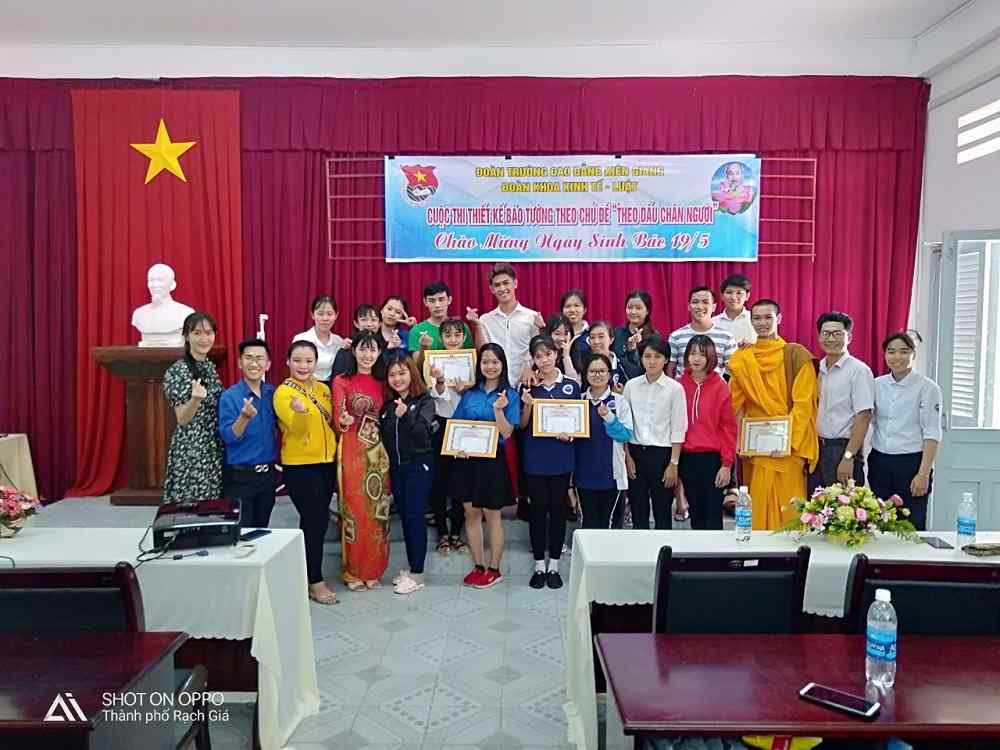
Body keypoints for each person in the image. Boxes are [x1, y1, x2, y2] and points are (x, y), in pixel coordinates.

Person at [727, 299, 818, 530]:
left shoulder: (796, 355)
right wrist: (741, 443)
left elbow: (803, 405)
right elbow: (736, 406)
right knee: (757, 504)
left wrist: (788, 442)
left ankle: (793, 551)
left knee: (789, 507)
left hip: (787, 446)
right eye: (756, 318)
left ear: (779, 319)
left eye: (768, 317)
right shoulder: (742, 358)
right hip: (756, 445)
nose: (762, 323)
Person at [449, 343, 520, 589]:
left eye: (495, 362)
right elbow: (456, 425)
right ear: (479, 365)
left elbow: (507, 433)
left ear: (503, 365)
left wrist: (498, 410)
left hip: (492, 462)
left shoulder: (510, 395)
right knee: (471, 513)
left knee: (492, 514)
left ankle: (494, 569)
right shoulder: (470, 394)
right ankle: (479, 565)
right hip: (467, 461)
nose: (490, 366)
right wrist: (456, 447)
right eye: (485, 361)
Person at [274, 340, 338, 605]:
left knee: (317, 522)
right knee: (314, 521)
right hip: (300, 467)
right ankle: (315, 582)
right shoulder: (283, 393)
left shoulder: (323, 389)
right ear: (288, 362)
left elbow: (330, 423)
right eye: (297, 360)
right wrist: (299, 413)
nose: (303, 366)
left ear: (316, 363)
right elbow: (297, 430)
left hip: (327, 463)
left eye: (309, 361)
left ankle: (305, 574)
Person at [519, 335, 581, 589]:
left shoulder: (571, 385)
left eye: (548, 354)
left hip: (561, 457)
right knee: (537, 510)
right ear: (533, 359)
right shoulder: (527, 384)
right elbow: (522, 424)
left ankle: (554, 563)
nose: (544, 360)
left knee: (558, 510)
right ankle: (538, 564)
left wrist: (571, 434)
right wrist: (527, 406)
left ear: (556, 354)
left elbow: (578, 422)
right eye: (538, 356)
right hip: (535, 457)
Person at [332, 331, 391, 591]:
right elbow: (338, 419)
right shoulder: (341, 381)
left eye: (373, 349)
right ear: (353, 351)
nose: (368, 355)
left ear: (379, 353)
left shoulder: (383, 381)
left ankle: (374, 568)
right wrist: (343, 421)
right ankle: (353, 570)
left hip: (378, 454)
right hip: (351, 451)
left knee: (378, 512)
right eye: (363, 349)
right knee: (354, 511)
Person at [869, 331, 942, 531]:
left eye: (904, 351)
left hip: (911, 465)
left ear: (913, 354)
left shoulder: (928, 388)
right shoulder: (877, 384)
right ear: (885, 354)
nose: (897, 357)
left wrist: (923, 474)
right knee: (879, 523)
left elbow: (932, 433)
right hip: (880, 462)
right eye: (891, 351)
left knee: (911, 525)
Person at [379, 352, 437, 595]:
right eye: (392, 374)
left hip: (418, 466)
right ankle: (412, 567)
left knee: (414, 517)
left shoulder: (424, 401)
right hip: (397, 469)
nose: (397, 379)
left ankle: (418, 573)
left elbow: (422, 432)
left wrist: (406, 416)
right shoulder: (388, 405)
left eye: (402, 373)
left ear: (412, 373)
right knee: (404, 516)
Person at [619, 336, 688, 530]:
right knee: (638, 511)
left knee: (662, 511)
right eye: (647, 356)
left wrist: (673, 464)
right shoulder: (631, 386)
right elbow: (626, 424)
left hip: (662, 455)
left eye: (657, 356)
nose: (652, 361)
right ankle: (641, 549)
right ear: (641, 359)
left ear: (666, 359)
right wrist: (627, 457)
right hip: (635, 453)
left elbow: (678, 428)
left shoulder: (675, 389)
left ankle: (663, 550)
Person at [809, 311, 875, 495]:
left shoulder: (858, 371)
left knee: (843, 508)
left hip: (842, 449)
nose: (831, 339)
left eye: (837, 333)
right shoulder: (818, 368)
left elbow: (864, 416)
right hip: (817, 450)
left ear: (849, 337)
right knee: (816, 507)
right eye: (826, 333)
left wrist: (848, 457)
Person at [218, 338, 278, 528]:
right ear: (239, 363)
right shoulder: (230, 396)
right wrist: (244, 417)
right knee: (240, 534)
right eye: (249, 358)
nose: (254, 363)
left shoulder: (273, 394)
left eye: (259, 358)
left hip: (268, 477)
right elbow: (229, 437)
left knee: (261, 530)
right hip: (240, 478)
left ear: (267, 364)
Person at [162, 312, 223, 502]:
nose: (204, 339)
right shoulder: (178, 370)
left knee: (212, 505)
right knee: (191, 507)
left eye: (208, 333)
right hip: (192, 448)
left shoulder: (209, 366)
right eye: (197, 333)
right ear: (186, 336)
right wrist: (195, 400)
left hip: (213, 445)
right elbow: (182, 418)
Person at [678, 336, 737, 530]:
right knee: (695, 514)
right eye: (692, 353)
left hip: (712, 459)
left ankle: (715, 551)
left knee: (712, 515)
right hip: (686, 458)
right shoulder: (679, 385)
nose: (696, 359)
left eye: (702, 354)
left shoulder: (720, 387)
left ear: (711, 357)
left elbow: (728, 428)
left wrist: (726, 465)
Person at [426, 318, 472, 554]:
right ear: (441, 338)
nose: (452, 339)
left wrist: (466, 390)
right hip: (441, 425)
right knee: (439, 481)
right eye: (447, 335)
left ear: (463, 337)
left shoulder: (471, 362)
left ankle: (456, 532)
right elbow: (432, 394)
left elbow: (478, 392)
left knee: (461, 481)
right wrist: (442, 382)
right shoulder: (433, 362)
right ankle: (442, 533)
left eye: (457, 335)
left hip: (464, 426)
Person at [575, 353, 633, 529]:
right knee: (588, 524)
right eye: (592, 371)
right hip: (584, 474)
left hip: (611, 475)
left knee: (609, 526)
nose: (597, 375)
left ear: (609, 374)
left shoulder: (620, 401)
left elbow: (625, 435)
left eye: (602, 371)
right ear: (586, 374)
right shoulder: (578, 401)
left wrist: (609, 417)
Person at [467, 262, 544, 386]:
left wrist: (528, 367)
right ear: (492, 289)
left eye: (506, 283)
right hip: (496, 385)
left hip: (525, 383)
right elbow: (483, 352)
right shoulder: (485, 320)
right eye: (497, 285)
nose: (502, 288)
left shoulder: (532, 317)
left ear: (515, 283)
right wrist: (477, 325)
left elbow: (537, 349)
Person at [667, 285, 737, 379]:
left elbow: (733, 371)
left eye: (705, 302)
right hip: (684, 387)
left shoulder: (727, 337)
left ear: (714, 307)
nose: (700, 307)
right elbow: (669, 369)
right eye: (695, 302)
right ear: (688, 306)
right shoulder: (676, 337)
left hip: (715, 387)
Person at [408, 281, 475, 363]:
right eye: (432, 301)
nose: (437, 305)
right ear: (425, 302)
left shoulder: (462, 327)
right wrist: (424, 347)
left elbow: (471, 359)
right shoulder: (416, 330)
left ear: (449, 300)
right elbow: (417, 367)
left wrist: (477, 324)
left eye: (441, 299)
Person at [293, 295, 346, 383]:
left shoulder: (339, 341)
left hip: (331, 387)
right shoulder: (301, 339)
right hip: (305, 385)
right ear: (312, 315)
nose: (325, 318)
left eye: (329, 314)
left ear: (336, 315)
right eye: (320, 314)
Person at [611, 289, 656, 380]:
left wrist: (632, 350)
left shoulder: (654, 338)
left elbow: (649, 369)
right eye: (630, 307)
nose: (633, 312)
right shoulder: (617, 333)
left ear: (647, 311)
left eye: (638, 308)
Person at [331, 303, 381, 378]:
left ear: (379, 324)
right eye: (364, 320)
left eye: (373, 320)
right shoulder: (346, 348)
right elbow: (337, 378)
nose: (369, 324)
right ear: (356, 323)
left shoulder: (384, 347)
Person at [713, 274, 757, 347]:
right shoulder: (713, 322)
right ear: (722, 295)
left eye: (739, 293)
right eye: (729, 292)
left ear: (747, 296)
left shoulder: (756, 319)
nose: (733, 297)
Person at [587, 321, 630, 392]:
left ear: (611, 339)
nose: (596, 341)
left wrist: (622, 393)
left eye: (601, 337)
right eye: (592, 337)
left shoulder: (621, 363)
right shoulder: (584, 362)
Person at [560, 289, 591, 370]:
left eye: (576, 305)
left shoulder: (591, 333)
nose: (572, 310)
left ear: (584, 310)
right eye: (568, 306)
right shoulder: (557, 334)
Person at [545, 314, 580, 381]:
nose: (562, 338)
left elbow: (574, 382)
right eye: (557, 334)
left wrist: (566, 357)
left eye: (566, 334)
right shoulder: (541, 352)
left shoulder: (576, 352)